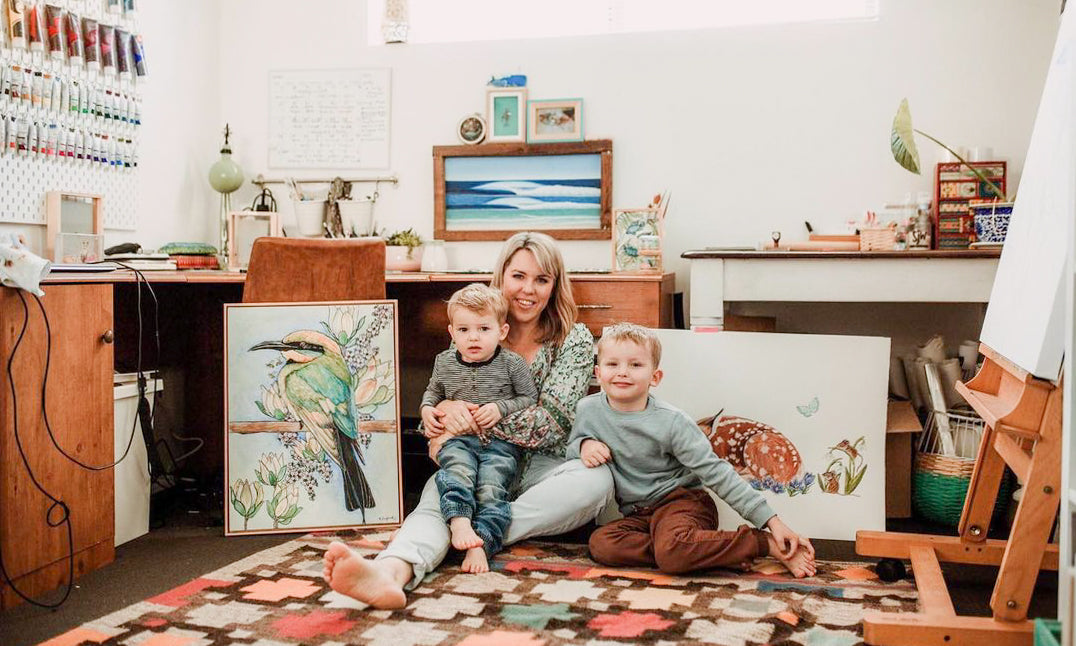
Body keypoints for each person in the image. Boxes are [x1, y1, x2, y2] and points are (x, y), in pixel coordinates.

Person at [323, 231, 612, 608]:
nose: (528, 290)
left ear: (555, 285)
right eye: (519, 276)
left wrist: (464, 417)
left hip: (543, 465)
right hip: (472, 456)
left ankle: (473, 532)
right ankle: (388, 572)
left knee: (597, 481)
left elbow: (551, 423)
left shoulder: (571, 339)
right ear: (502, 276)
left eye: (542, 279)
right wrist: (437, 426)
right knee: (437, 500)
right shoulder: (472, 324)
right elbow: (442, 406)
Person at [568, 323, 817, 578]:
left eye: (635, 365)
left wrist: (771, 521)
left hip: (683, 503)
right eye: (613, 364)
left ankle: (761, 543)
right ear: (597, 373)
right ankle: (698, 553)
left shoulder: (672, 422)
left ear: (655, 377)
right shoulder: (588, 410)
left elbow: (717, 473)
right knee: (602, 544)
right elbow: (571, 450)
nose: (623, 373)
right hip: (639, 514)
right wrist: (584, 445)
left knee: (671, 549)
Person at [421, 283, 538, 573]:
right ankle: (460, 523)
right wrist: (426, 410)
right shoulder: (444, 362)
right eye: (464, 330)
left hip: (500, 445)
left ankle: (481, 545)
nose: (473, 337)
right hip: (458, 439)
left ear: (502, 331)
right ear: (452, 333)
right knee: (456, 473)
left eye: (484, 329)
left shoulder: (513, 364)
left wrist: (500, 408)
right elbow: (432, 392)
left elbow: (529, 398)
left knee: (491, 489)